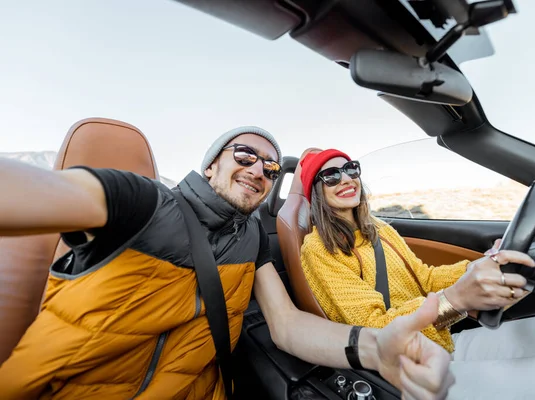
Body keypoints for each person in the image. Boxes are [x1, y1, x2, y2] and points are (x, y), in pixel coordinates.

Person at [0, 127, 453, 400]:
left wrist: (374, 348)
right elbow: (32, 193)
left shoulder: (252, 237)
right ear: (211, 165)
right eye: (244, 155)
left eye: (272, 168)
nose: (259, 170)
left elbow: (287, 326)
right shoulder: (143, 204)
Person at [299, 148, 535, 400]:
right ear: (316, 191)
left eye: (351, 169)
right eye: (330, 175)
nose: (346, 179)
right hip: (406, 365)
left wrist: (477, 267)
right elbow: (371, 329)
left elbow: (424, 278)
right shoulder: (320, 249)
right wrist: (452, 301)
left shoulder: (379, 229)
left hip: (442, 341)